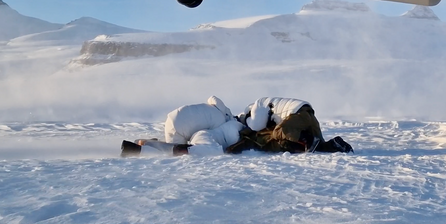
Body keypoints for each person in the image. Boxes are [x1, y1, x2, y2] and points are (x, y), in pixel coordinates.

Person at [120, 96, 353, 156]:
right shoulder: (215, 125)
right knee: (283, 138)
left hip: (289, 117)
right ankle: (326, 145)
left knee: (281, 138)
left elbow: (209, 150)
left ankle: (317, 145)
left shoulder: (209, 130)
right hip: (302, 113)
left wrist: (180, 151)